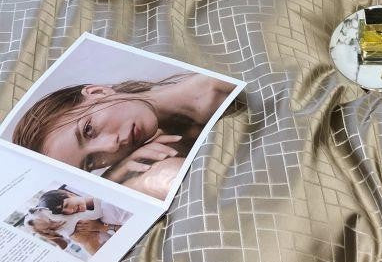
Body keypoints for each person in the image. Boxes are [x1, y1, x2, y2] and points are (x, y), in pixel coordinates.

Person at [11, 72, 233, 196]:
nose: (110, 147)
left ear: (98, 92)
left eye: (88, 130)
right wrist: (112, 181)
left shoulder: (219, 84)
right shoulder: (158, 158)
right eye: (90, 162)